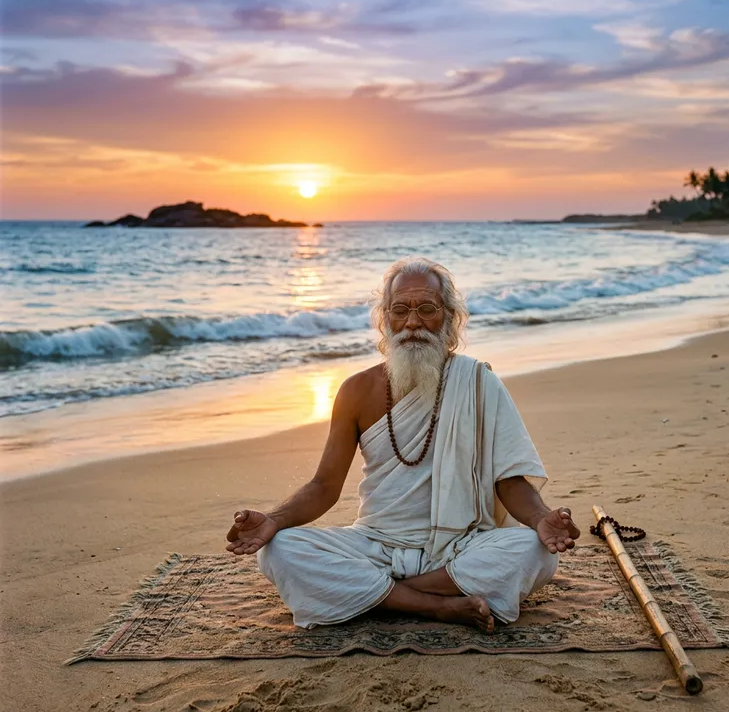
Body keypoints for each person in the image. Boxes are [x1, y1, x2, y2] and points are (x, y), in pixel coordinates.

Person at [226, 257, 580, 633]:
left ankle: (381, 597)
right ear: (385, 319)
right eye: (400, 310)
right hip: (375, 544)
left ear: (450, 318)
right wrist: (274, 521)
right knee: (279, 550)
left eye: (426, 309)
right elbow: (324, 488)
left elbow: (508, 483)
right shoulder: (356, 391)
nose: (413, 322)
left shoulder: (477, 382)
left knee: (533, 550)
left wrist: (541, 518)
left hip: (459, 548)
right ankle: (436, 605)